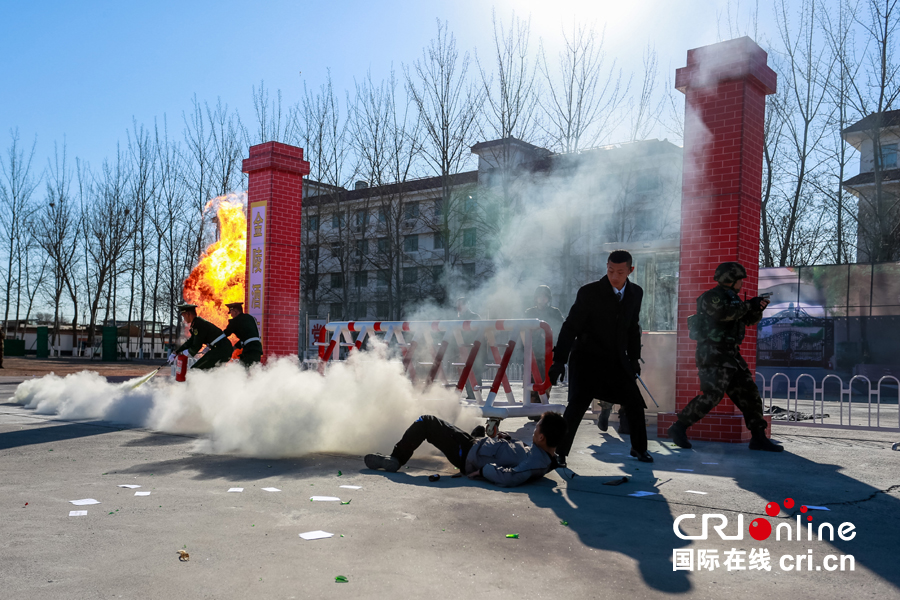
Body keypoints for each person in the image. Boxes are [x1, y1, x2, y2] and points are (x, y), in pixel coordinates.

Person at [548, 250, 652, 465]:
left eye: (620, 272)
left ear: (630, 271)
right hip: (588, 359)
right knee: (577, 405)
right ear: (607, 267)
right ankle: (559, 452)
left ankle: (639, 448)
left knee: (634, 401)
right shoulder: (589, 292)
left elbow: (633, 328)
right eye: (611, 270)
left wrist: (634, 358)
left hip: (616, 360)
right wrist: (559, 360)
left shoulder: (635, 293)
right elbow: (570, 327)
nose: (614, 276)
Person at [667, 262, 783, 452]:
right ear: (730, 279)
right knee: (712, 395)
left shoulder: (734, 298)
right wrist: (748, 305)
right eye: (739, 280)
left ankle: (758, 437)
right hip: (712, 353)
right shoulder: (711, 297)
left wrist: (757, 309)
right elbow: (723, 314)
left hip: (731, 355)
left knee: (749, 393)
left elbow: (747, 320)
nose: (741, 284)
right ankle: (678, 427)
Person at [365, 411, 568, 487]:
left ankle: (396, 459)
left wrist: (483, 471)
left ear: (541, 437)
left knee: (426, 422)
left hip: (471, 456)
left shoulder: (536, 462)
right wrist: (504, 438)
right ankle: (441, 443)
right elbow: (515, 457)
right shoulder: (542, 455)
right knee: (478, 429)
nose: (534, 430)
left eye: (536, 428)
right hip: (476, 448)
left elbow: (511, 476)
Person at [524, 285, 565, 405]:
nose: (542, 299)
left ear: (548, 298)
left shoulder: (555, 313)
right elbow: (523, 329)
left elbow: (561, 329)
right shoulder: (529, 312)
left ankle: (542, 406)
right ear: (536, 298)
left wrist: (549, 334)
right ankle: (533, 407)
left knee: (546, 380)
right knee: (532, 381)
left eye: (545, 296)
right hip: (533, 351)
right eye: (540, 296)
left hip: (548, 352)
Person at [169, 303, 234, 371]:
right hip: (222, 348)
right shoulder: (197, 323)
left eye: (183, 316)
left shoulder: (198, 324)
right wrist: (177, 352)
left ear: (188, 314)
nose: (184, 319)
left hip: (221, 349)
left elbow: (197, 345)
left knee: (195, 371)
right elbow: (191, 340)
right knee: (211, 372)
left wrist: (185, 353)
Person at [456, 297, 482, 400]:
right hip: (464, 350)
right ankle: (471, 396)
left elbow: (478, 334)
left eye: (461, 305)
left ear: (466, 305)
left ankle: (476, 396)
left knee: (475, 374)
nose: (459, 307)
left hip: (474, 350)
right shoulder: (459, 319)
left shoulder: (474, 317)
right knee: (465, 375)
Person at [223, 302, 262, 367]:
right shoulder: (250, 318)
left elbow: (225, 334)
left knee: (243, 370)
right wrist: (234, 347)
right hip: (257, 348)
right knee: (252, 371)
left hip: (249, 350)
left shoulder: (235, 321)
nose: (231, 315)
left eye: (231, 312)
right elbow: (247, 337)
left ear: (235, 311)